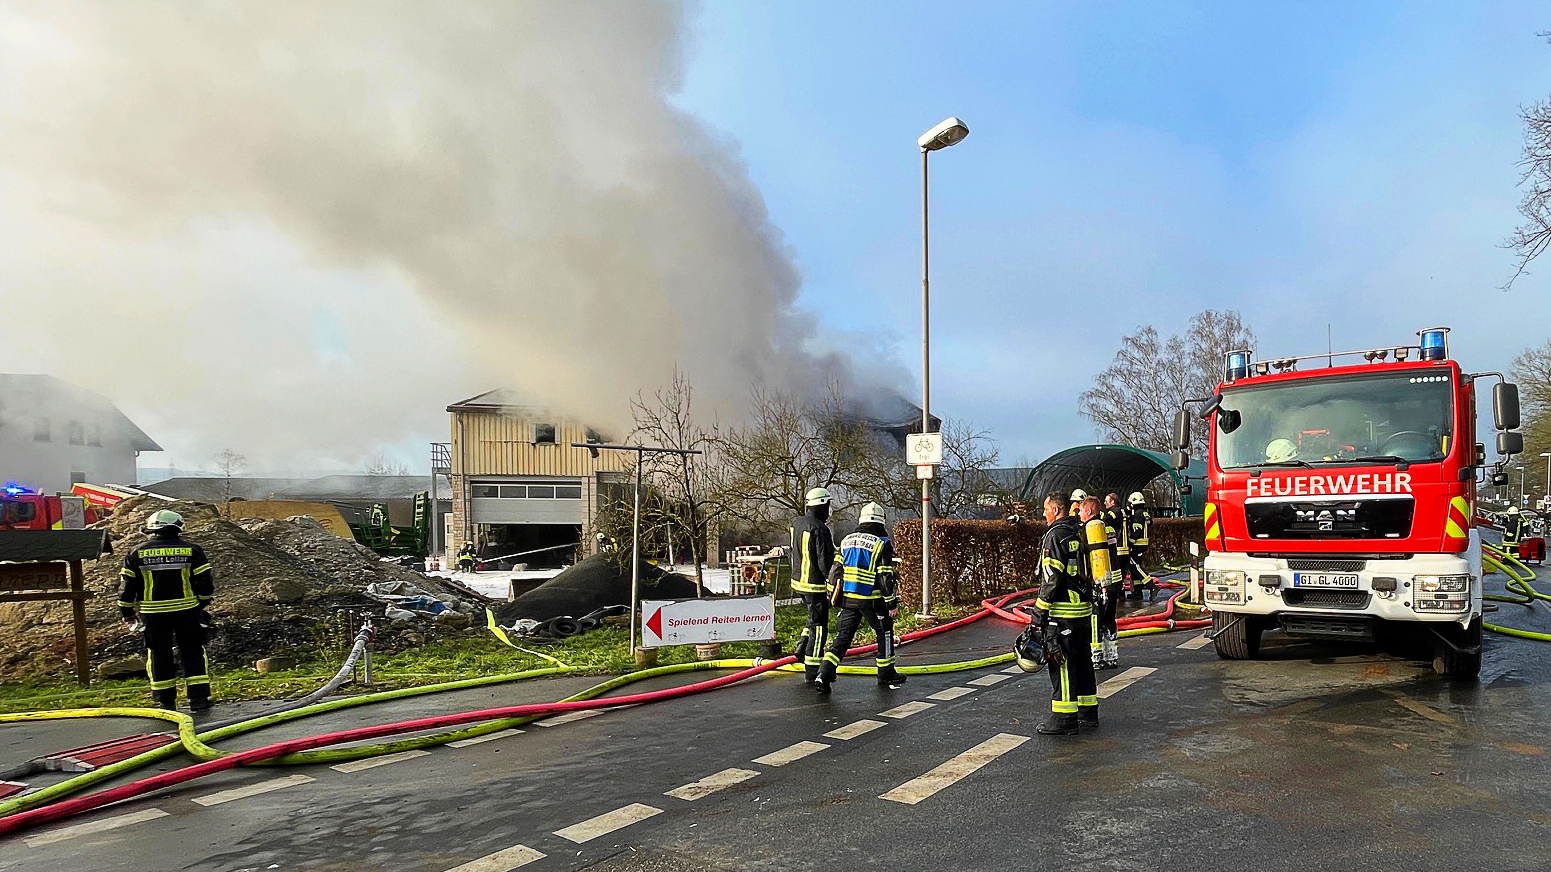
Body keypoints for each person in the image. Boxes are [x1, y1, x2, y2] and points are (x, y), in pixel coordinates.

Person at [118, 509, 215, 712]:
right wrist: (202, 602)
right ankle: (199, 699)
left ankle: (165, 701)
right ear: (179, 527)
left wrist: (126, 610)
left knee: (158, 654)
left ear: (151, 529)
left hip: (153, 614)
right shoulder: (192, 550)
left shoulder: (136, 553)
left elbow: (127, 586)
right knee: (193, 651)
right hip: (187, 611)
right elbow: (205, 582)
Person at [815, 502, 905, 694]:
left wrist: (833, 596)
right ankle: (886, 673)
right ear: (881, 522)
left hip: (848, 600)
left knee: (843, 637)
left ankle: (824, 673)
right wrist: (891, 603)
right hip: (872, 600)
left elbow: (835, 571)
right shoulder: (881, 544)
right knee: (885, 632)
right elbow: (885, 576)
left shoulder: (846, 541)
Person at [1032, 493, 1097, 735]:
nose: (1044, 513)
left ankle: (1064, 718)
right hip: (1083, 610)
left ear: (1057, 510)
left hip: (1063, 612)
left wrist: (1039, 611)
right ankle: (1088, 713)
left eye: (1046, 509)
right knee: (1084, 663)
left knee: (1063, 665)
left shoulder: (1055, 535)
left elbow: (1052, 578)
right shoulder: (1078, 531)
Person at [789, 487, 837, 684]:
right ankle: (812, 670)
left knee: (812, 616)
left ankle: (801, 646)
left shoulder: (796, 523)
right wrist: (833, 583)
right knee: (819, 628)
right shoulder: (820, 529)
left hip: (798, 582)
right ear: (822, 505)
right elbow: (825, 563)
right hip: (814, 585)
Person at [1085, 497, 1124, 671]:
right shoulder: (1108, 527)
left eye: (1081, 511)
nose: (1079, 514)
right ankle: (1112, 656)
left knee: (1096, 619)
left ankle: (1096, 656)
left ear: (1089, 511)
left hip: (1099, 583)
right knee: (1110, 619)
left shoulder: (1091, 528)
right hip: (1114, 580)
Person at [1126, 492, 1154, 601]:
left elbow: (1137, 530)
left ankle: (1151, 585)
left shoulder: (1138, 514)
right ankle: (1137, 592)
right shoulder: (1145, 513)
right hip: (1143, 543)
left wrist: (1130, 542)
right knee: (1133, 569)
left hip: (1138, 544)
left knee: (1135, 566)